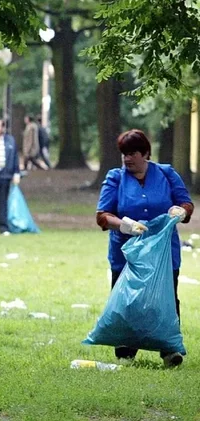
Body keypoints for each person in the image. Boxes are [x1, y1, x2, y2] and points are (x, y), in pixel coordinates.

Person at [96, 129, 193, 368]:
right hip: (126, 252)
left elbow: (186, 203)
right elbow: (102, 216)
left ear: (146, 153)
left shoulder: (167, 174)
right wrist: (125, 225)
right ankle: (125, 351)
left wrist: (180, 211)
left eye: (133, 153)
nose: (127, 159)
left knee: (167, 298)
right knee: (127, 301)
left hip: (163, 253)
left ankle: (169, 350)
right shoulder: (115, 178)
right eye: (124, 154)